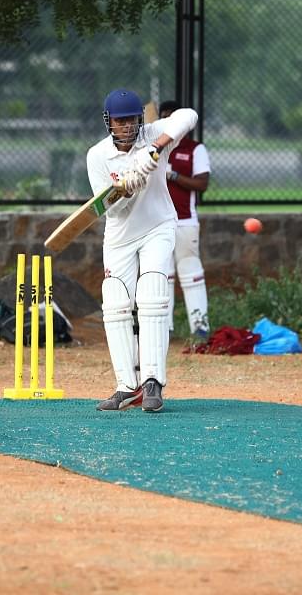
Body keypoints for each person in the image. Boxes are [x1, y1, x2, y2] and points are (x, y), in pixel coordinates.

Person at [88, 88, 198, 413]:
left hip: (159, 226)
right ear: (109, 122)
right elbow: (110, 211)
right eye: (119, 121)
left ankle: (152, 382)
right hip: (120, 234)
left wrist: (154, 149)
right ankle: (126, 386)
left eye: (131, 120)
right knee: (117, 304)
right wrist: (127, 187)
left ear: (140, 119)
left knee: (151, 295)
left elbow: (187, 116)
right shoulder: (97, 156)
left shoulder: (153, 133)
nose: (125, 126)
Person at [158, 100, 211, 335]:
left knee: (191, 273)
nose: (171, 124)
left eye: (174, 118)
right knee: (163, 276)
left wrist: (174, 175)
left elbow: (202, 184)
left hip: (185, 221)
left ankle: (200, 327)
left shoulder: (195, 149)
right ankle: (164, 328)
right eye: (165, 119)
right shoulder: (153, 148)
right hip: (158, 223)